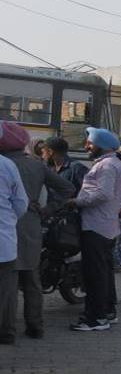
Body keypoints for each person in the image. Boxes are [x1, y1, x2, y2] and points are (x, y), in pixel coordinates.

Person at [0, 122, 74, 340]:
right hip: (31, 225)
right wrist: (46, 209)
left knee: (9, 283)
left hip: (9, 225)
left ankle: (7, 330)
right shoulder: (36, 165)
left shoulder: (5, 164)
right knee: (32, 279)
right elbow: (66, 188)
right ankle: (35, 326)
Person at [66, 128, 121, 332]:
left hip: (96, 226)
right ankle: (107, 311)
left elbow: (103, 194)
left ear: (101, 145)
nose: (86, 146)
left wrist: (77, 201)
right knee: (104, 273)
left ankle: (95, 318)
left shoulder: (108, 165)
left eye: (90, 143)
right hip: (104, 226)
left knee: (94, 275)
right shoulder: (110, 163)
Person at [0, 124, 28, 345]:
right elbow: (21, 204)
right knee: (6, 292)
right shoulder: (7, 165)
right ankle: (6, 333)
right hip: (4, 242)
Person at [43, 136, 88, 202]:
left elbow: (89, 191)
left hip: (69, 210)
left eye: (43, 152)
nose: (42, 155)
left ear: (50, 152)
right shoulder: (49, 168)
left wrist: (74, 202)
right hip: (52, 210)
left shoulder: (76, 168)